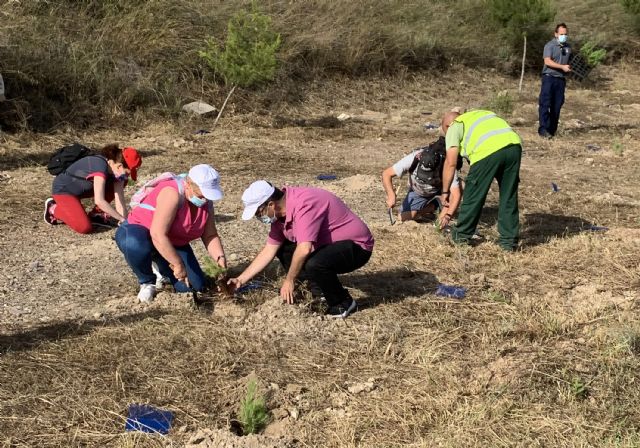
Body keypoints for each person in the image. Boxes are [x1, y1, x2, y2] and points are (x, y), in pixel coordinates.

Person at [228, 181, 374, 318]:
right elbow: (269, 250)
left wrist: (289, 280)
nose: (258, 217)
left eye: (258, 213)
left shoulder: (304, 204)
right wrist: (240, 280)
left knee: (315, 263)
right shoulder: (280, 217)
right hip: (327, 246)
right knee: (283, 248)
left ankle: (342, 303)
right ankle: (318, 290)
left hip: (356, 247)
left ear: (271, 205)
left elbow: (305, 248)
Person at [115, 164, 227, 303]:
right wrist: (178, 264)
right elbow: (157, 234)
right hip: (140, 232)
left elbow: (210, 235)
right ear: (188, 184)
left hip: (170, 241)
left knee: (195, 286)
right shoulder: (172, 193)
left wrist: (220, 260)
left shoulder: (206, 202)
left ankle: (161, 265)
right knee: (134, 244)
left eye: (207, 196)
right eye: (201, 194)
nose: (204, 199)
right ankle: (147, 281)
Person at [440, 109, 522, 251]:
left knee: (473, 194)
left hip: (487, 152)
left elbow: (450, 162)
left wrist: (445, 191)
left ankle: (461, 237)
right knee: (508, 195)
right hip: (514, 146)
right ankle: (508, 242)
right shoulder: (480, 114)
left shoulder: (455, 125)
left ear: (448, 126)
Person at [43, 144, 142, 234]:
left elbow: (120, 201)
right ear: (119, 166)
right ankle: (53, 208)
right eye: (127, 173)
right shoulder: (99, 166)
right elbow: (99, 200)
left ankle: (96, 215)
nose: (126, 176)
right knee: (84, 227)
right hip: (64, 191)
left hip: (83, 189)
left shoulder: (117, 173)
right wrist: (121, 218)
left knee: (122, 181)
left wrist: (125, 222)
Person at [382, 135, 462, 227]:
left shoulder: (447, 165)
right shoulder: (415, 157)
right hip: (418, 192)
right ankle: (433, 206)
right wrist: (391, 195)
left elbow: (456, 195)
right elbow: (386, 174)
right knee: (402, 218)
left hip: (442, 190)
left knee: (460, 186)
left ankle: (441, 214)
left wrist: (447, 216)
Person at [538, 23, 571, 139]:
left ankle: (552, 131)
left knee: (557, 105)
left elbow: (568, 63)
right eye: (561, 34)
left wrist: (568, 69)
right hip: (549, 78)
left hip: (561, 80)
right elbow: (547, 61)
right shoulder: (549, 46)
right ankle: (543, 129)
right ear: (556, 34)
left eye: (565, 34)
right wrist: (561, 67)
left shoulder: (568, 47)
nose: (564, 36)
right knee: (545, 103)